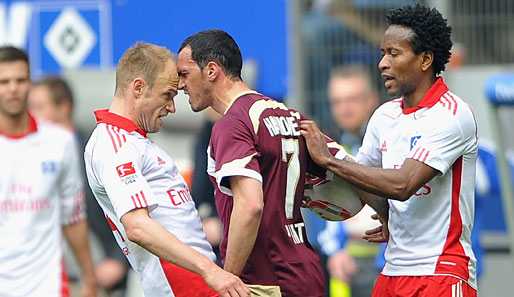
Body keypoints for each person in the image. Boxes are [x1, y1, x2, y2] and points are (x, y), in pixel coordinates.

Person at [300, 5, 478, 297]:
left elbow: (402, 184)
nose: (382, 63)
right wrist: (317, 177)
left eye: (394, 53)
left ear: (425, 59)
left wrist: (330, 160)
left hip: (441, 272)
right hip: (393, 270)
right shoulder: (384, 116)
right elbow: (363, 182)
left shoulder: (453, 115)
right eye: (383, 53)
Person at [177, 29, 345, 297]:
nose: (180, 85)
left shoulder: (231, 125)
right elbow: (350, 168)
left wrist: (228, 277)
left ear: (211, 71)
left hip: (264, 280)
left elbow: (251, 205)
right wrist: (383, 214)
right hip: (307, 272)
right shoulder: (288, 115)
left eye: (184, 74)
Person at [83, 42, 249, 297]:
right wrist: (210, 270)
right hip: (182, 285)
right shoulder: (112, 144)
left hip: (197, 281)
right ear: (138, 88)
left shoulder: (134, 140)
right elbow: (138, 226)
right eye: (167, 95)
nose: (172, 107)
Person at [0, 46, 97, 297]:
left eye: (20, 80)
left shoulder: (60, 141)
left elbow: (73, 216)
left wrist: (89, 279)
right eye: (4, 81)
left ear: (30, 84)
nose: (12, 88)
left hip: (46, 285)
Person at [28, 77, 130, 295]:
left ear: (64, 108)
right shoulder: (24, 155)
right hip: (40, 279)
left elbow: (130, 208)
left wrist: (119, 260)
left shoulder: (97, 151)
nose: (31, 115)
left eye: (37, 107)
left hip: (94, 279)